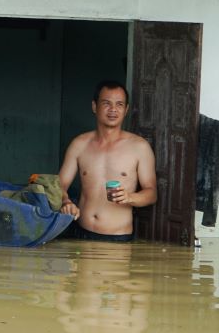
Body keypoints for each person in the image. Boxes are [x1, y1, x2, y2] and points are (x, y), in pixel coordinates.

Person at [58, 80, 157, 242]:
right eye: (106, 103)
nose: (113, 109)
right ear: (94, 106)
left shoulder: (139, 147)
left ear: (126, 110)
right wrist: (66, 201)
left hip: (118, 237)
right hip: (81, 232)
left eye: (119, 104)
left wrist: (129, 197)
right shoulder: (79, 144)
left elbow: (151, 193)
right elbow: (60, 185)